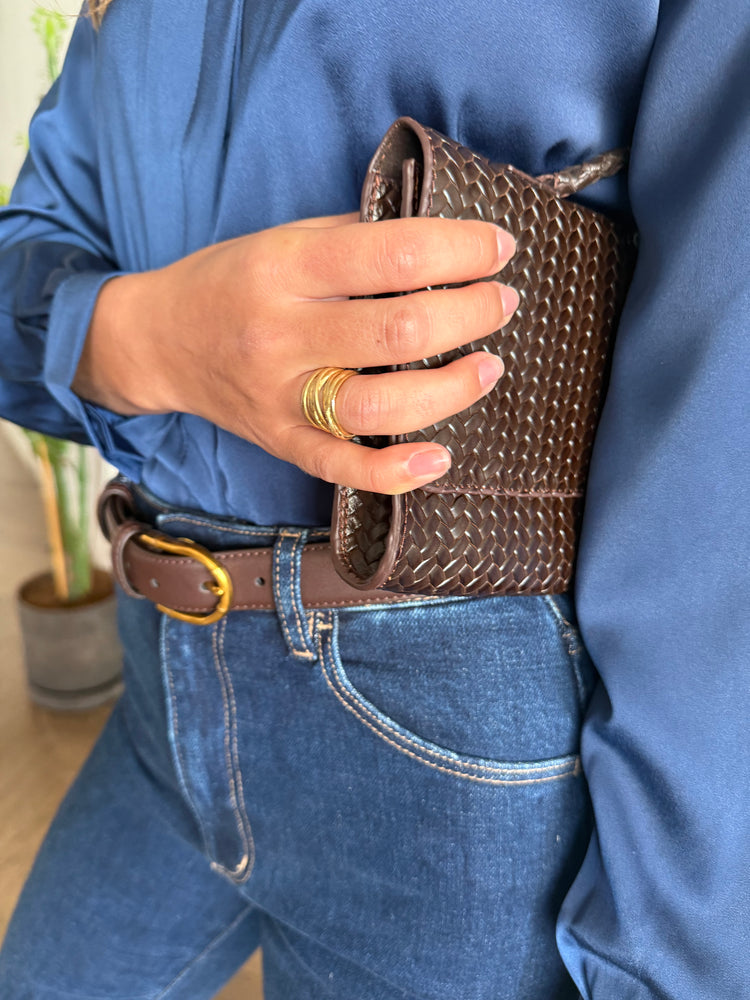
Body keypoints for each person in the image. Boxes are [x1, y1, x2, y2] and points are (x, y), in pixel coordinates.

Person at [0, 0, 747, 997]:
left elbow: (722, 401)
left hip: (455, 718)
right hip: (163, 679)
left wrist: (669, 952)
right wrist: (150, 337)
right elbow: (27, 255)